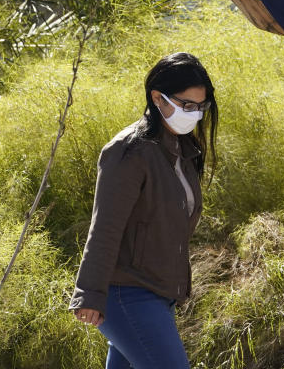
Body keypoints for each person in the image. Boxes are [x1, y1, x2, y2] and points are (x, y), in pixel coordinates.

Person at [69, 52, 218, 369]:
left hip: (158, 294)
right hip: (127, 295)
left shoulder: (182, 152)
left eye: (199, 107)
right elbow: (105, 227)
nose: (192, 114)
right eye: (186, 105)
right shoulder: (129, 150)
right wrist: (90, 293)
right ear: (157, 98)